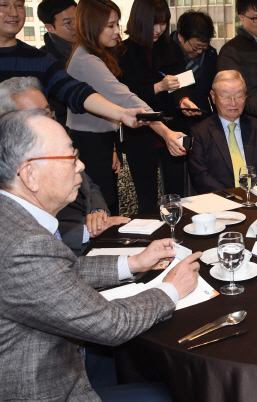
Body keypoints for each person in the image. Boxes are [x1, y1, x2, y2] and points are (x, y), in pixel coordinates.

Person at [0, 108, 203, 401]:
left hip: (58, 350)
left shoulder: (14, 218)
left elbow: (60, 273)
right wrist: (172, 288)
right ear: (30, 175)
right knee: (173, 389)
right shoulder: (24, 245)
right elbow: (112, 324)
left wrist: (133, 262)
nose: (81, 166)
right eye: (71, 157)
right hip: (48, 384)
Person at [66, 0, 187, 215]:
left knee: (105, 206)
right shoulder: (88, 60)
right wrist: (166, 132)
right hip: (92, 144)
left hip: (99, 140)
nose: (116, 31)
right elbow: (128, 99)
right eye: (110, 26)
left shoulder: (92, 54)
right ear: (92, 25)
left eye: (116, 24)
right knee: (100, 210)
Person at [0, 76, 130, 255]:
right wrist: (88, 231)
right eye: (36, 115)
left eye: (47, 111)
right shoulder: (11, 167)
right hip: (68, 248)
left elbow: (88, 184)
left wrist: (97, 210)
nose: (49, 119)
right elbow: (32, 237)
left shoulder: (54, 143)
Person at [0, 0, 145, 131]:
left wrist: (122, 113)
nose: (14, 13)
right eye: (4, 5)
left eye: (19, 5)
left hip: (24, 150)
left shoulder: (41, 59)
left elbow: (75, 91)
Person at [118, 0, 200, 213]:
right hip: (140, 134)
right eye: (153, 23)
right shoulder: (123, 51)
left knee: (176, 194)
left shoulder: (170, 47)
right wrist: (158, 87)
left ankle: (177, 234)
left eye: (163, 23)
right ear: (139, 20)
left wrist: (184, 101)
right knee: (146, 198)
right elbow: (124, 96)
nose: (158, 29)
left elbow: (179, 83)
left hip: (173, 128)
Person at [188, 70, 257, 193]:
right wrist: (232, 197)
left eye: (239, 96)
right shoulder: (200, 132)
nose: (233, 103)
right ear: (213, 97)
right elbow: (200, 175)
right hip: (221, 201)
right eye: (226, 97)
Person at [217, 0, 257, 165]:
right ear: (241, 17)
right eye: (256, 18)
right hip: (248, 129)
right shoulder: (231, 51)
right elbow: (234, 94)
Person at [172, 10, 218, 120]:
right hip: (173, 119)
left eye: (204, 47)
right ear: (181, 37)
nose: (199, 51)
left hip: (202, 118)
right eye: (196, 47)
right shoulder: (166, 52)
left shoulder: (210, 56)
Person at [37, 0, 77, 127]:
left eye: (79, 20)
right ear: (50, 28)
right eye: (68, 23)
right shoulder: (43, 61)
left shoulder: (94, 51)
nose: (76, 27)